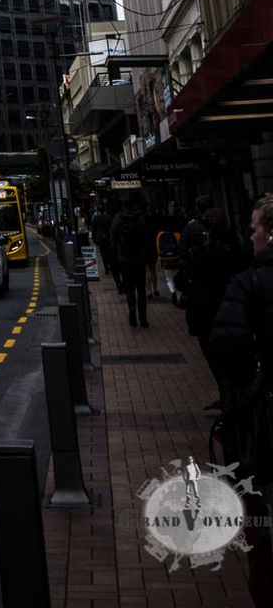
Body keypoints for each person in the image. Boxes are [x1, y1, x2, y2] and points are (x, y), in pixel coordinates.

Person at [209, 195, 273, 606]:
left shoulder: (248, 283)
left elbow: (226, 351)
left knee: (260, 517)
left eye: (254, 229)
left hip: (265, 421)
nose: (250, 237)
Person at [175, 207, 245, 404]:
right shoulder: (236, 251)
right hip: (232, 313)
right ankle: (231, 397)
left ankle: (227, 398)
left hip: (204, 314)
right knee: (233, 362)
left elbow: (181, 280)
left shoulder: (199, 253)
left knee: (215, 361)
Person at [111, 197, 150, 328]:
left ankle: (132, 310)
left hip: (124, 259)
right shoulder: (140, 217)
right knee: (141, 288)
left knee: (129, 288)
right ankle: (143, 318)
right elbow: (146, 236)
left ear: (123, 206)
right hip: (139, 259)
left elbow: (112, 238)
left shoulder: (118, 218)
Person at [90, 206, 113, 276]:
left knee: (103, 253)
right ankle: (109, 265)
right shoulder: (108, 217)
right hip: (108, 237)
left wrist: (93, 238)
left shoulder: (96, 218)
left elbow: (93, 229)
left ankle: (106, 267)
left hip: (100, 238)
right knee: (108, 252)